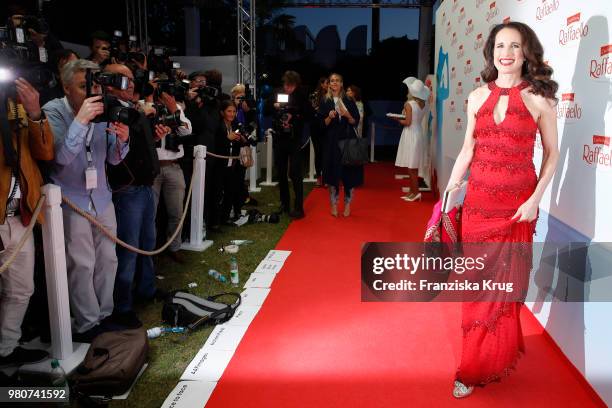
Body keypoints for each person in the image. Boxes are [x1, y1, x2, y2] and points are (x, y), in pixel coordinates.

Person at [445, 22, 559, 398]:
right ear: (492, 52)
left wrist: (535, 200)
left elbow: (553, 155)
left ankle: (482, 362)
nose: (505, 52)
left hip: (515, 210)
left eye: (514, 45)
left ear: (527, 53)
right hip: (478, 207)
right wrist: (449, 190)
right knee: (475, 288)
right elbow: (467, 150)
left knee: (502, 291)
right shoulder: (477, 97)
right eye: (499, 45)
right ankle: (473, 363)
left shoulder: (540, 100)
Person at [43, 59, 130, 342]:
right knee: (81, 263)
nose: (91, 91)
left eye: (93, 84)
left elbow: (115, 160)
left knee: (108, 259)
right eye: (83, 86)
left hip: (102, 197)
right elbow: (60, 160)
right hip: (71, 199)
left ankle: (105, 316)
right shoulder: (53, 112)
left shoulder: (105, 108)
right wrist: (81, 120)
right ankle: (87, 324)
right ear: (66, 87)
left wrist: (122, 140)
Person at [104, 64, 170, 328]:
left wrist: (154, 135)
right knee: (129, 249)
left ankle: (147, 290)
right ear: (108, 81)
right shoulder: (108, 109)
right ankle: (123, 306)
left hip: (145, 186)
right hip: (127, 191)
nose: (130, 83)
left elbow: (137, 147)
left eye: (132, 79)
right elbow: (116, 151)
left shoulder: (131, 108)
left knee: (148, 242)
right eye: (123, 79)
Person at [0, 78, 54, 366]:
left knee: (21, 290)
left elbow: (45, 153)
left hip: (20, 216)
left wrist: (34, 113)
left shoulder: (18, 109)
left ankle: (6, 350)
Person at [265, 71, 309, 219]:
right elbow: (265, 110)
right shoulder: (276, 92)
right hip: (279, 138)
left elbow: (308, 114)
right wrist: (274, 106)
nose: (288, 88)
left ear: (296, 85)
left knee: (296, 173)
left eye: (291, 86)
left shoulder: (301, 95)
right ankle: (284, 204)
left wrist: (294, 115)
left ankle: (298, 207)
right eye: (286, 85)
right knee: (281, 173)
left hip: (294, 138)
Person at [319, 73, 362, 217]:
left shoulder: (349, 99)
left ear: (342, 83)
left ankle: (348, 204)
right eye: (332, 81)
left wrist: (346, 114)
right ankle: (333, 204)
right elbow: (321, 125)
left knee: (349, 174)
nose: (334, 83)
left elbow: (355, 121)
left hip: (348, 140)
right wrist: (329, 117)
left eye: (337, 80)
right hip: (331, 142)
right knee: (332, 174)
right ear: (329, 84)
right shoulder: (325, 100)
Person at [392, 79, 430, 202]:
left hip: (410, 134)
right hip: (418, 133)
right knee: (413, 166)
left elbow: (407, 122)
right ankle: (412, 191)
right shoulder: (425, 104)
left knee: (411, 167)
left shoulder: (409, 104)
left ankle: (416, 192)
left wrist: (396, 119)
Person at [213, 100, 250, 225]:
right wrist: (227, 138)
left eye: (234, 111)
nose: (232, 114)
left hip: (232, 165)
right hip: (219, 164)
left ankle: (225, 218)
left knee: (230, 191)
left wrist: (241, 139)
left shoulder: (234, 126)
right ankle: (215, 221)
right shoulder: (218, 126)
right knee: (217, 193)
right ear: (222, 112)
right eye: (229, 111)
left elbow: (240, 144)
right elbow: (214, 145)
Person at [309, 77, 329, 186]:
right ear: (321, 84)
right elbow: (314, 110)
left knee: (326, 153)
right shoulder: (314, 95)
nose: (328, 85)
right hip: (316, 127)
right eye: (326, 83)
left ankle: (326, 178)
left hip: (327, 126)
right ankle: (319, 177)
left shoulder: (330, 95)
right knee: (318, 153)